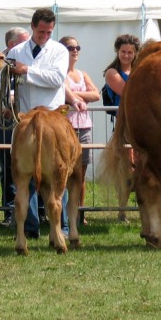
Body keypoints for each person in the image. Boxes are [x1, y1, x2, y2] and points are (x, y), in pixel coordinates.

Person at [7, 8, 86, 239]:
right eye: (41, 31)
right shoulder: (16, 50)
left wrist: (27, 70)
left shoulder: (59, 50)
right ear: (32, 27)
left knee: (59, 174)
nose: (44, 36)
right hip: (24, 117)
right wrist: (8, 95)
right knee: (23, 176)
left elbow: (56, 79)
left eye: (49, 32)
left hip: (53, 115)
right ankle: (30, 229)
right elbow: (9, 79)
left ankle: (59, 227)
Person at [0, 26, 30, 227]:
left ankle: (36, 211)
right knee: (10, 166)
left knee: (32, 164)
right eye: (24, 41)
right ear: (12, 45)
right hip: (7, 122)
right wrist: (7, 102)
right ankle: (10, 212)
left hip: (28, 120)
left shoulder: (30, 59)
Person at [62, 36, 100, 225]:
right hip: (66, 127)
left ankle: (80, 213)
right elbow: (63, 92)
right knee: (65, 173)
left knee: (82, 174)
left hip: (84, 126)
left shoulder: (82, 74)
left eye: (77, 47)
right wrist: (82, 97)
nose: (75, 50)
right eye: (70, 47)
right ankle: (64, 214)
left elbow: (96, 95)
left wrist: (74, 96)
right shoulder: (60, 73)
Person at [103, 34, 141, 222]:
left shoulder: (139, 70)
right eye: (123, 52)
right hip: (124, 126)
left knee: (141, 167)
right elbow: (128, 93)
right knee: (126, 169)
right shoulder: (112, 73)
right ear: (117, 52)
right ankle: (122, 211)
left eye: (130, 52)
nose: (126, 55)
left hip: (141, 125)